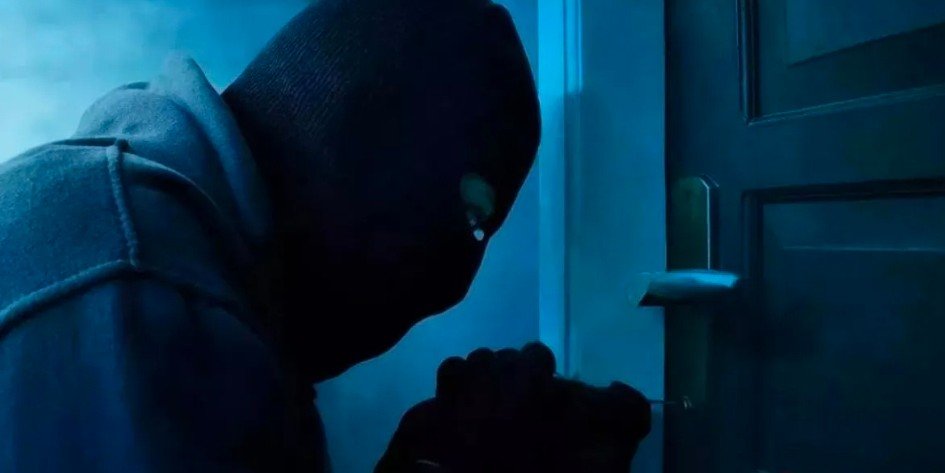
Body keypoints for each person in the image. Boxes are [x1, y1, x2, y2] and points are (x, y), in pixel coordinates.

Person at [0, 0, 650, 471]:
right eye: (471, 218)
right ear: (371, 139)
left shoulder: (146, 222)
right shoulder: (150, 301)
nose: (457, 274)